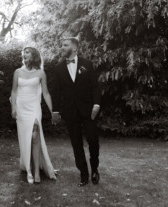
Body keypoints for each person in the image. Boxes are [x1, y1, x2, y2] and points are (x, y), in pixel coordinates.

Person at [52, 37, 101, 187]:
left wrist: (97, 104)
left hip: (88, 110)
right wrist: (55, 110)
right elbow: (56, 91)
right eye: (62, 45)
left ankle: (94, 168)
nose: (62, 47)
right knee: (76, 143)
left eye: (65, 45)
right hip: (70, 111)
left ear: (74, 48)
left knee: (93, 140)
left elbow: (95, 86)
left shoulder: (87, 64)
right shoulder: (58, 68)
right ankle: (84, 174)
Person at [10, 47, 57, 184]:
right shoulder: (17, 72)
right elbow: (13, 91)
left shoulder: (41, 73)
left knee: (35, 136)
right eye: (23, 54)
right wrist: (13, 108)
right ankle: (28, 168)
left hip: (34, 107)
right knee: (26, 138)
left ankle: (36, 172)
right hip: (21, 107)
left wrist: (52, 111)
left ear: (34, 57)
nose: (24, 55)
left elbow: (46, 93)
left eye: (28, 53)